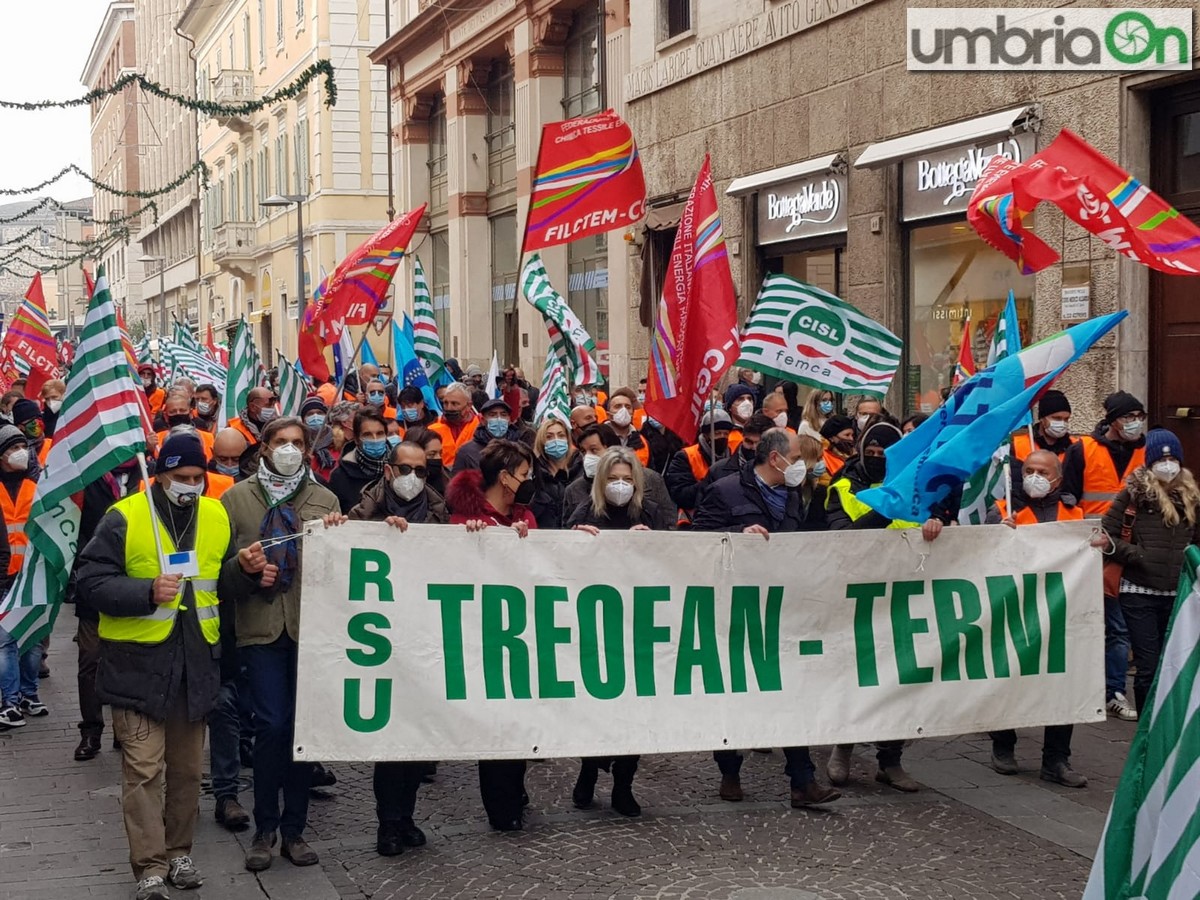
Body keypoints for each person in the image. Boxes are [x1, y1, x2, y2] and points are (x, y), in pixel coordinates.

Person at [75, 433, 273, 900]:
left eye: (197, 477)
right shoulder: (124, 516)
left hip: (195, 664)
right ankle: (149, 868)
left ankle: (179, 851)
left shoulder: (214, 513)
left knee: (185, 772)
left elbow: (220, 583)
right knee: (143, 771)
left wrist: (244, 570)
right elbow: (88, 582)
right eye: (181, 477)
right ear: (160, 474)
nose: (190, 485)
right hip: (137, 667)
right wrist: (144, 593)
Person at [692, 429, 840, 808]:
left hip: (780, 608)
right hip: (733, 608)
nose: (801, 465)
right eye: (796, 456)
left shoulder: (792, 494)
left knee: (790, 691)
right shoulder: (724, 490)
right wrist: (737, 534)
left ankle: (803, 780)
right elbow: (697, 541)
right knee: (734, 691)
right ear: (776, 459)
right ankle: (730, 770)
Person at [220, 417, 341, 871]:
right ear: (265, 447)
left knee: (303, 729)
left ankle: (295, 829)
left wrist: (338, 534)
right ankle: (264, 826)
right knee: (271, 725)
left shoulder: (323, 499)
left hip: (311, 629)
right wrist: (245, 568)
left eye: (297, 443)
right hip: (260, 629)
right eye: (281, 442)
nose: (289, 449)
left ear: (307, 450)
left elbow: (339, 571)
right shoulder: (234, 499)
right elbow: (219, 577)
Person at [824, 421, 947, 794]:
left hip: (904, 596)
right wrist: (884, 507)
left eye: (884, 455)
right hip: (857, 596)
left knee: (900, 679)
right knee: (856, 676)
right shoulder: (841, 486)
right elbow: (839, 536)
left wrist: (936, 524)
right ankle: (842, 747)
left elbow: (937, 523)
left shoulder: (918, 486)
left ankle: (890, 761)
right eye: (871, 453)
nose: (876, 460)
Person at [445, 440, 536, 831]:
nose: (529, 481)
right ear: (505, 477)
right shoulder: (462, 520)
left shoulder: (526, 517)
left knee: (519, 719)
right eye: (524, 475)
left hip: (521, 633)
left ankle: (516, 790)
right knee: (495, 721)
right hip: (480, 635)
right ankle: (500, 806)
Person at [564, 447, 659, 817]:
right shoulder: (585, 512)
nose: (620, 485)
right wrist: (577, 540)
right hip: (595, 627)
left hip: (636, 627)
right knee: (597, 708)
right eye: (613, 478)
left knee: (634, 710)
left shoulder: (647, 514)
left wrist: (652, 543)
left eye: (626, 478)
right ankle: (589, 769)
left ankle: (624, 784)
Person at [989, 450, 1088, 788]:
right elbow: (979, 556)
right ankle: (1003, 746)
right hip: (1015, 610)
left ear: (1057, 478)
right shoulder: (1004, 511)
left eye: (1042, 471)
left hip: (1061, 612)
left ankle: (1056, 759)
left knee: (1063, 685)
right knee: (1009, 679)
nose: (1034, 476)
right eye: (1028, 470)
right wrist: (996, 533)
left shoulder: (1076, 514)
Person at [1101, 428, 1200, 717]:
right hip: (1139, 592)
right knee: (1148, 664)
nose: (1167, 466)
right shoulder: (1134, 496)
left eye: (1173, 460)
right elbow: (1107, 535)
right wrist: (1137, 555)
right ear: (1150, 463)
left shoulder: (1192, 497)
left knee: (1175, 660)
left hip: (1177, 592)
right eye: (1161, 460)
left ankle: (1169, 720)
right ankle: (1147, 724)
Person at [1061, 390, 1147, 722]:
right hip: (1093, 547)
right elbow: (1067, 494)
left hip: (1133, 548)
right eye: (1128, 417)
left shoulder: (1148, 450)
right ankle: (1106, 688)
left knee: (1119, 624)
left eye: (1139, 416)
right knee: (1107, 622)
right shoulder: (1082, 449)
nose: (1135, 423)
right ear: (1112, 420)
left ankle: (1111, 689)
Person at [68, 455, 148, 758]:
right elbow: (73, 528)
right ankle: (90, 731)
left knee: (128, 659)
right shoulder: (87, 479)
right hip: (94, 588)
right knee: (90, 661)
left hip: (135, 589)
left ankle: (123, 729)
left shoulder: (147, 476)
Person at [0, 425, 44, 727]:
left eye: (22, 446)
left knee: (32, 639)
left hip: (33, 574)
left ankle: (29, 694)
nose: (20, 452)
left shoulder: (38, 486)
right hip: (4, 577)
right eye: (13, 447)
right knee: (5, 641)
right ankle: (10, 701)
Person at [665, 410, 733, 526]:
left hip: (724, 518)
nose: (722, 437)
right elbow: (680, 494)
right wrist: (709, 482)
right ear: (706, 435)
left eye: (725, 434)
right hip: (692, 520)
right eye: (717, 433)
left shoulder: (731, 457)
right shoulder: (685, 456)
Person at [1008, 390, 1076, 506]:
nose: (1062, 424)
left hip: (1062, 510)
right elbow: (1013, 483)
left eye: (1066, 419)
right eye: (1057, 418)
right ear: (1042, 419)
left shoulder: (1074, 447)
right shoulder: (1018, 444)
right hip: (1025, 508)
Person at [327, 411, 389, 513]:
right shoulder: (339, 477)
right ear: (356, 439)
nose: (375, 439)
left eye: (380, 434)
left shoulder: (399, 469)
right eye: (368, 435)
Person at [452, 398, 525, 474]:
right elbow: (456, 483)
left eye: (503, 415)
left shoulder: (520, 449)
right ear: (483, 420)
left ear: (509, 420)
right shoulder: (467, 451)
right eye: (492, 415)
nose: (498, 419)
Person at [529, 418, 578, 530]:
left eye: (561, 436)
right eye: (549, 437)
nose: (556, 440)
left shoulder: (579, 468)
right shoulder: (533, 473)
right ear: (541, 441)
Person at [702, 414, 774, 488]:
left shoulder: (780, 473)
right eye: (749, 442)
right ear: (743, 437)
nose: (754, 448)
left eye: (759, 443)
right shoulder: (717, 471)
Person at [157, 392, 215, 459]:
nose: (178, 414)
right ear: (166, 416)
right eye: (173, 412)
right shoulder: (157, 439)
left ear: (190, 413)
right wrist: (150, 450)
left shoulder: (208, 437)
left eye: (182, 411)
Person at [437, 382, 479, 468]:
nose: (449, 408)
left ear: (468, 405)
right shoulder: (433, 429)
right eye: (445, 403)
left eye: (454, 404)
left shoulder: (480, 427)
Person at [604, 388, 651, 466]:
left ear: (632, 413)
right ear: (609, 415)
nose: (624, 410)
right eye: (618, 406)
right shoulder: (598, 437)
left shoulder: (642, 441)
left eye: (628, 407)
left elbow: (650, 473)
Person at [403, 426, 448, 495]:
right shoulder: (402, 487)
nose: (438, 458)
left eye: (440, 453)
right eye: (432, 454)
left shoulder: (448, 480)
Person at [11, 398, 50, 467]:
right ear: (20, 427)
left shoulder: (52, 443)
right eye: (32, 420)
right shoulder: (14, 454)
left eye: (39, 418)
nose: (37, 422)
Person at [819, 415, 856, 482]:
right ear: (832, 438)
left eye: (852, 435)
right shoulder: (821, 456)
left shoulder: (853, 453)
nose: (851, 439)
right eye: (847, 435)